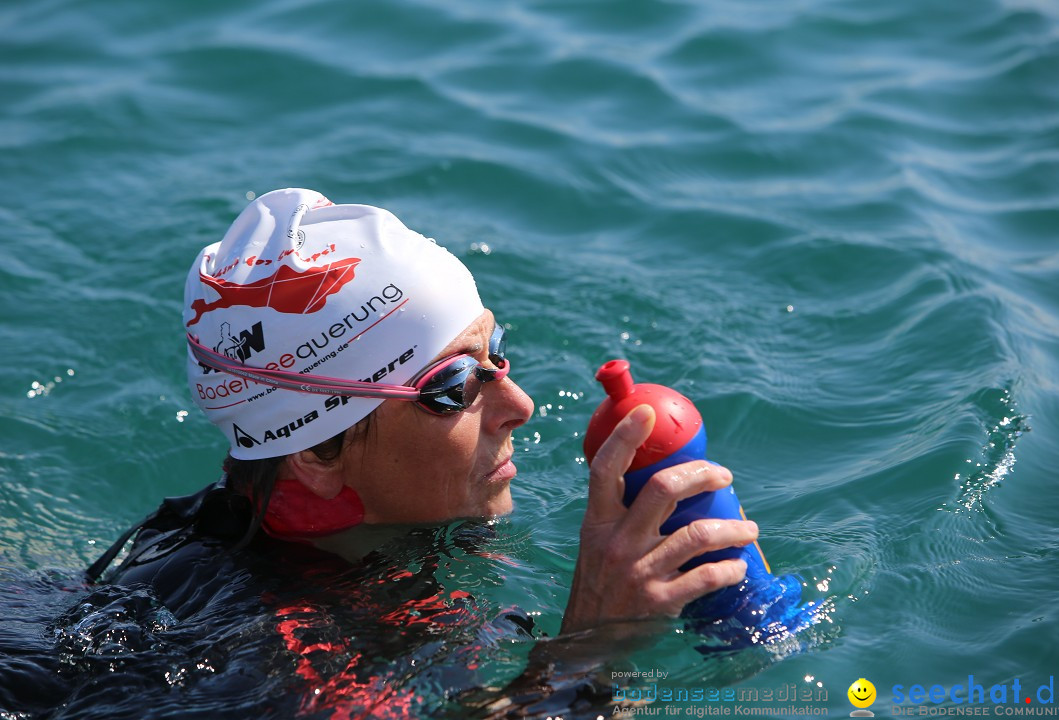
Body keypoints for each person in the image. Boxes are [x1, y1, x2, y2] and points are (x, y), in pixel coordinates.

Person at [84, 188, 759, 716]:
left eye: (495, 351)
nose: (520, 405)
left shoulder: (246, 530)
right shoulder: (284, 663)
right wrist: (592, 650)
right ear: (317, 455)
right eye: (456, 385)